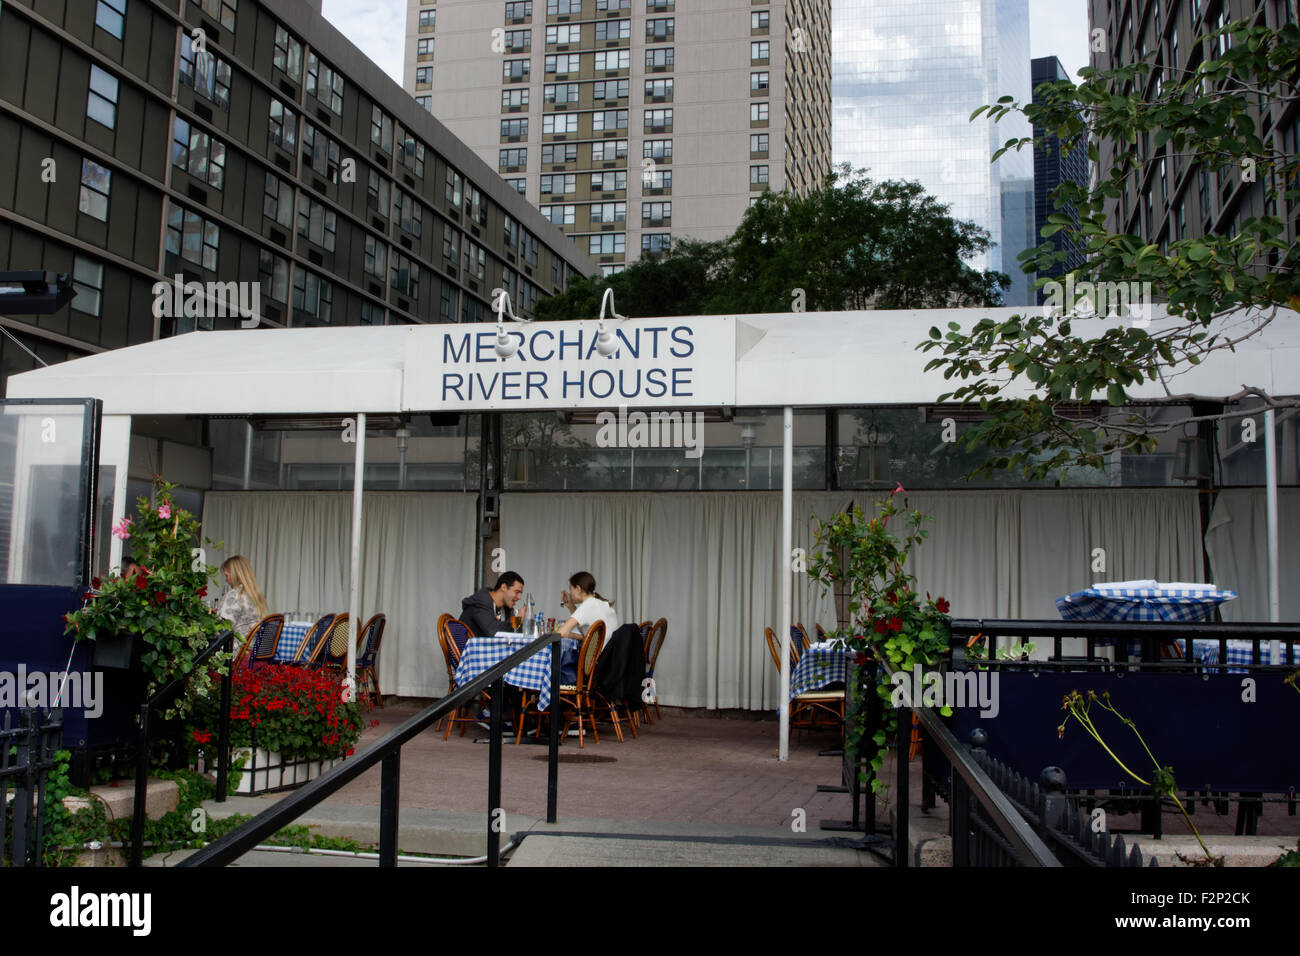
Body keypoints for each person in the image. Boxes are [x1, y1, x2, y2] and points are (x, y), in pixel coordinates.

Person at [216, 555, 269, 642]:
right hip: (252, 650)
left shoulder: (234, 595)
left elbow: (222, 629)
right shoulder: (255, 595)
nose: (226, 580)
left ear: (235, 574)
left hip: (235, 651)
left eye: (227, 576)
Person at [460, 571, 525, 640]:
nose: (519, 597)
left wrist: (524, 622)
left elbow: (513, 634)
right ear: (504, 587)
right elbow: (494, 632)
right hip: (467, 649)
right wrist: (517, 621)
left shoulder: (505, 608)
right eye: (517, 592)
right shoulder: (481, 602)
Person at [558, 572, 620, 642]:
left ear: (578, 589)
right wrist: (571, 606)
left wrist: (565, 633)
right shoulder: (601, 604)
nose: (570, 594)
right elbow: (586, 635)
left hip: (600, 653)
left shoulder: (588, 605)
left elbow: (561, 633)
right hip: (609, 652)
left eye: (570, 589)